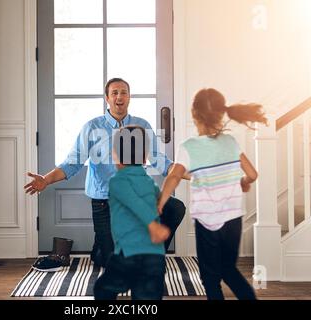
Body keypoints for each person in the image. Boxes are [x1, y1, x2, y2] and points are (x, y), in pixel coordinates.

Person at [25, 78, 186, 268]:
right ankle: (102, 248)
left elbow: (160, 161)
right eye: (114, 92)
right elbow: (72, 163)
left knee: (175, 208)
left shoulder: (141, 125)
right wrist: (45, 179)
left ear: (129, 97)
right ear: (107, 98)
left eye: (124, 92)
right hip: (105, 202)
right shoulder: (92, 128)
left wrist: (187, 173)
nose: (119, 96)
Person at [158, 88, 267, 300]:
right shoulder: (231, 142)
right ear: (221, 114)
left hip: (207, 221)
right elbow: (253, 174)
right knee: (228, 269)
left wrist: (162, 200)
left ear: (194, 114)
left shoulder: (188, 147)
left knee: (210, 277)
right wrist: (244, 182)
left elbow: (174, 176)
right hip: (233, 219)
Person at [94, 125, 170, 300]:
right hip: (155, 257)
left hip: (128, 254)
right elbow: (157, 201)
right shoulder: (149, 182)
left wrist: (152, 225)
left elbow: (135, 203)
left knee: (102, 289)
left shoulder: (117, 182)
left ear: (115, 157)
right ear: (144, 158)